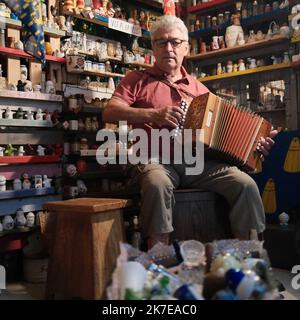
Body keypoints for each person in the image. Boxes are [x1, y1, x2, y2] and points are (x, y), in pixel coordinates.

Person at [103, 15, 277, 249]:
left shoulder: (200, 89)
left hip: (197, 162)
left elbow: (221, 137)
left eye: (175, 42)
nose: (168, 48)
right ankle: (159, 259)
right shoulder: (136, 79)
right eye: (161, 42)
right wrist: (151, 115)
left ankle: (247, 258)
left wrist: (254, 149)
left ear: (186, 46)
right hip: (154, 158)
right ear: (153, 47)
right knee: (157, 183)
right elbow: (110, 112)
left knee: (244, 184)